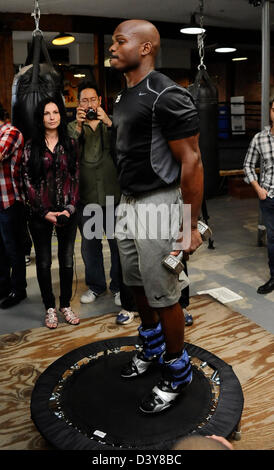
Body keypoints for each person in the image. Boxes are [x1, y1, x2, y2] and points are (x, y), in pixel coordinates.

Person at [110, 19, 203, 413]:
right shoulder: (124, 95)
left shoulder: (166, 93)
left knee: (164, 295)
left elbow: (192, 161)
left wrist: (188, 226)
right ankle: (151, 345)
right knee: (135, 285)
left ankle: (178, 373)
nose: (112, 48)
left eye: (120, 41)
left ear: (146, 47)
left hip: (159, 204)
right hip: (128, 202)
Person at [21, 98, 80, 329]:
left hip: (67, 211)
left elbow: (75, 177)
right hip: (40, 214)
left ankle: (65, 304)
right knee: (44, 262)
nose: (52, 116)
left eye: (56, 112)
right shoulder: (31, 146)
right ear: (41, 117)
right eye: (47, 113)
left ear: (61, 116)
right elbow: (27, 181)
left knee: (66, 260)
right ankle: (50, 308)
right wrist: (44, 211)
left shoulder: (71, 143)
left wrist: (69, 208)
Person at [67, 82, 125, 313]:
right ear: (78, 104)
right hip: (87, 196)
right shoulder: (73, 126)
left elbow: (124, 145)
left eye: (93, 100)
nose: (89, 104)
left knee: (117, 245)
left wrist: (109, 122)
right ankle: (96, 286)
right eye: (84, 100)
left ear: (100, 101)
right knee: (90, 247)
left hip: (112, 194)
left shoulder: (111, 123)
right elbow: (68, 151)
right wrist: (80, 125)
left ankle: (119, 286)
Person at [243, 98, 274, 294]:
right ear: (270, 112)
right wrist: (258, 189)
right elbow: (247, 165)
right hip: (269, 196)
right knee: (273, 239)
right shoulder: (259, 138)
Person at [0, 104, 27, 309]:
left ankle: (19, 289)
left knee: (13, 249)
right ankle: (3, 286)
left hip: (10, 201)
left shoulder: (11, 132)